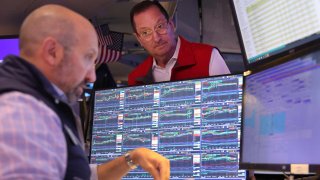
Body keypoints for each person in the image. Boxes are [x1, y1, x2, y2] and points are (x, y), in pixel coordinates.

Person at [0, 4, 170, 180]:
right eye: (88, 58)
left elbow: (81, 175)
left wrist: (132, 158)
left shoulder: (42, 105)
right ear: (52, 52)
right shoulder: (21, 112)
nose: (92, 77)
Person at [128, 0, 230, 85]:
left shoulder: (208, 57)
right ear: (139, 39)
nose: (156, 38)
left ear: (172, 25)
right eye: (145, 33)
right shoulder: (135, 78)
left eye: (160, 26)